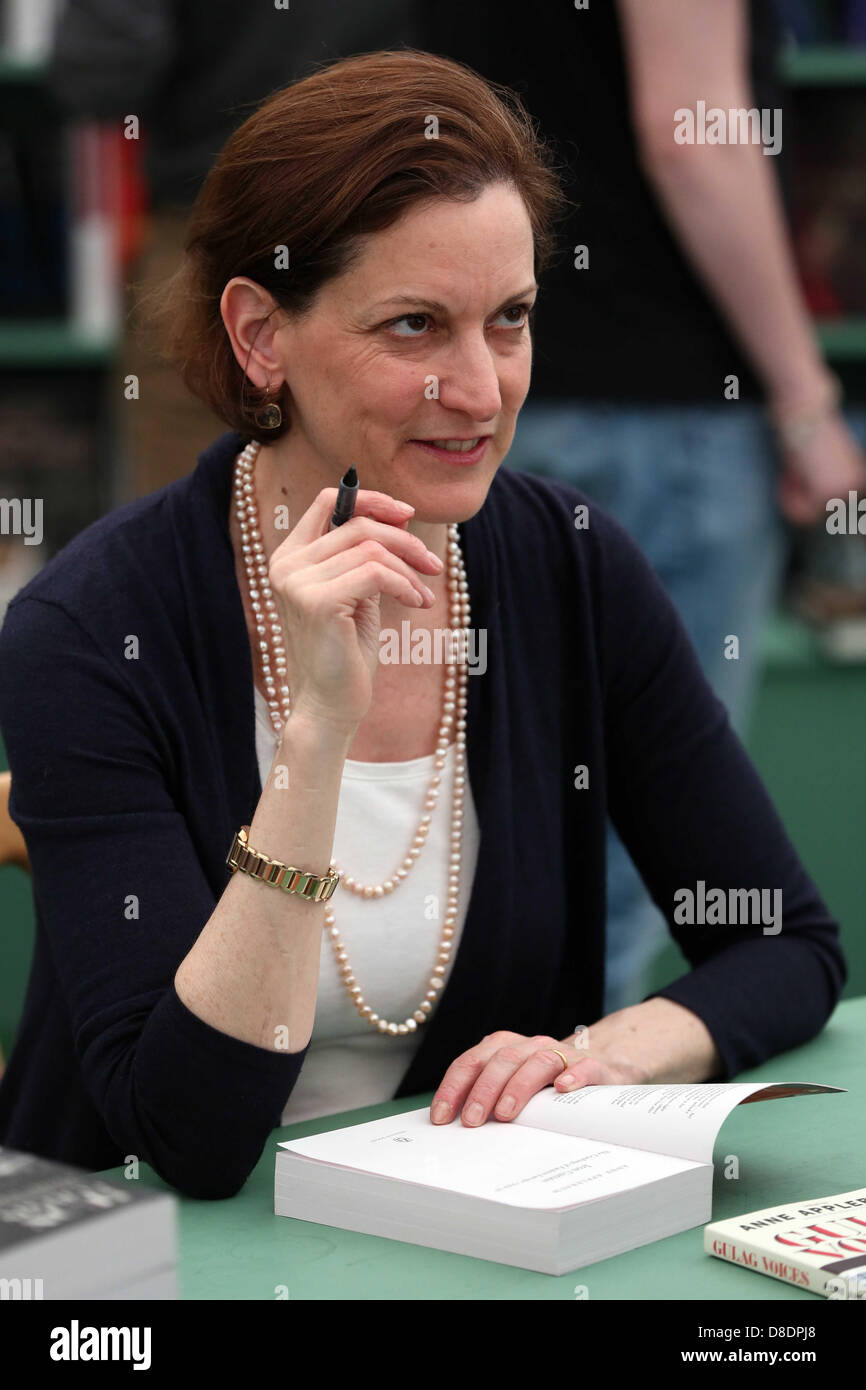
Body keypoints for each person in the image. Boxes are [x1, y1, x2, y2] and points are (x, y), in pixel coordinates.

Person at [0, 51, 844, 1200]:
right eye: (413, 327)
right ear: (260, 335)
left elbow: (783, 943)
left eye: (509, 319)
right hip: (135, 1263)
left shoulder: (569, 568)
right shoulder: (95, 629)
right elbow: (186, 1136)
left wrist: (594, 1054)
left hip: (460, 1249)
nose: (482, 389)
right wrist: (312, 742)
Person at [419, 0, 866, 1014]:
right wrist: (803, 397)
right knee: (612, 875)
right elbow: (688, 129)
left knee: (504, 836)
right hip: (655, 410)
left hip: (511, 391)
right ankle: (543, 1141)